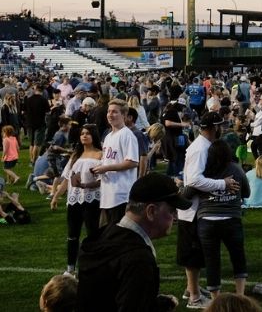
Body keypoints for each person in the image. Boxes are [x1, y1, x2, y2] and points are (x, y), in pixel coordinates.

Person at [75, 170, 179, 312]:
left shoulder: (105, 234)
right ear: (151, 211)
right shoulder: (137, 258)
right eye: (172, 210)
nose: (175, 217)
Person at [196, 121, 252, 304]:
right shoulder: (235, 169)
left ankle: (215, 300)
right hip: (231, 219)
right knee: (238, 256)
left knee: (212, 261)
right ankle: (241, 295)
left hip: (206, 220)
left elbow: (189, 191)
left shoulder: (204, 172)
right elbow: (247, 192)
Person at [51, 121, 102, 275]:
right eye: (82, 134)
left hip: (93, 199)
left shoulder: (101, 154)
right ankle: (70, 268)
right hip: (74, 200)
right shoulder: (76, 155)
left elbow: (103, 179)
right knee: (72, 235)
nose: (84, 136)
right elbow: (67, 179)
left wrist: (89, 186)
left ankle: (94, 266)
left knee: (93, 234)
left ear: (94, 136)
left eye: (87, 133)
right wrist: (56, 197)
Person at [93, 101, 142, 229]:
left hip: (121, 193)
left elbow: (132, 162)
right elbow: (109, 159)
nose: (110, 115)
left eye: (115, 112)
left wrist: (106, 168)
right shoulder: (109, 136)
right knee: (110, 232)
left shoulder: (127, 135)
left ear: (124, 115)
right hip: (108, 192)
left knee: (120, 233)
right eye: (109, 111)